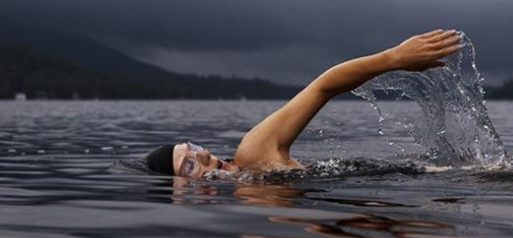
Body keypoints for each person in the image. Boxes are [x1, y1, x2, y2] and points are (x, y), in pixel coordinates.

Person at [146, 29, 464, 178]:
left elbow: (322, 87)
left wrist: (393, 58)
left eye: (192, 147)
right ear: (182, 192)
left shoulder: (253, 154)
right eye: (189, 164)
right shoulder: (250, 190)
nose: (202, 154)